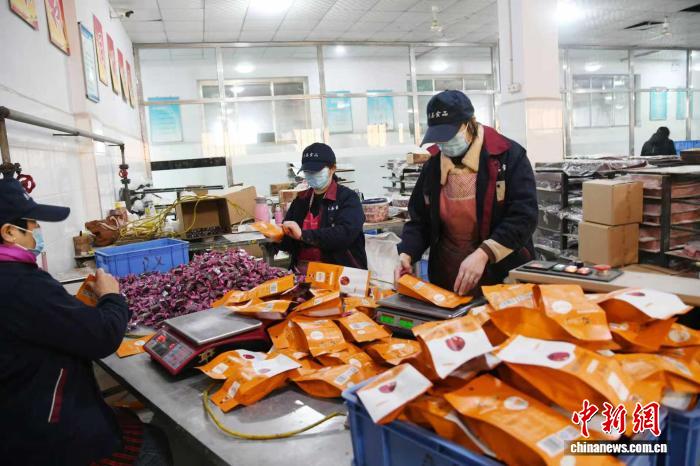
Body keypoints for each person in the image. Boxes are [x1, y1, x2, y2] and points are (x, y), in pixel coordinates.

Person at [0, 173, 172, 466]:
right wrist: (112, 296)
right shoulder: (20, 284)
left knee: (135, 424)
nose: (37, 230)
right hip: (46, 438)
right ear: (9, 232)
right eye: (32, 223)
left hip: (20, 417)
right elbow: (102, 336)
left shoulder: (16, 279)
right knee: (153, 448)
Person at [395, 90, 538, 295]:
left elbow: (524, 217)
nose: (444, 144)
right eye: (439, 138)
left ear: (470, 123)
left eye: (449, 135)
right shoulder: (433, 165)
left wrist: (484, 253)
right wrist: (407, 253)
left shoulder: (508, 156)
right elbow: (420, 220)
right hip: (448, 275)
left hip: (501, 275)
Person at [276, 143, 367, 273]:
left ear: (332, 169)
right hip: (303, 274)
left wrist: (303, 235)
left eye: (317, 171)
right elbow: (291, 243)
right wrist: (278, 237)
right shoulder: (301, 200)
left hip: (341, 275)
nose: (312, 175)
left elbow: (344, 234)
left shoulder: (348, 198)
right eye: (308, 172)